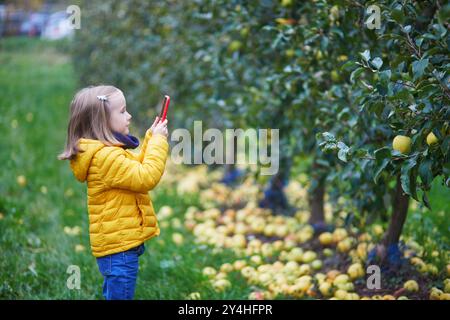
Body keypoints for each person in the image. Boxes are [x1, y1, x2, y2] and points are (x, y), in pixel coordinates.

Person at [58, 85, 169, 299]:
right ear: (101, 122)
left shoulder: (106, 154)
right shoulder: (105, 158)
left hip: (119, 244)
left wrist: (149, 139)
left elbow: (134, 170)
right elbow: (145, 177)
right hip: (119, 249)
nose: (129, 116)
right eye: (122, 111)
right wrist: (159, 142)